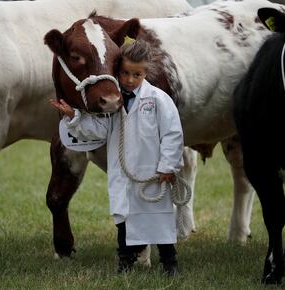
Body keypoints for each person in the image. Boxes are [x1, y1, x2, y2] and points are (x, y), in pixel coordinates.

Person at [50, 38, 184, 276]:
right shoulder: (114, 105)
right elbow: (98, 130)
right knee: (124, 221)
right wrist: (74, 116)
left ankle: (169, 262)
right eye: (125, 73)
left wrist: (168, 166)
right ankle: (125, 262)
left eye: (137, 74)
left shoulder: (159, 100)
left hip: (152, 175)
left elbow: (173, 134)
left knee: (159, 221)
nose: (130, 80)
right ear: (117, 71)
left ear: (146, 72)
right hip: (124, 174)